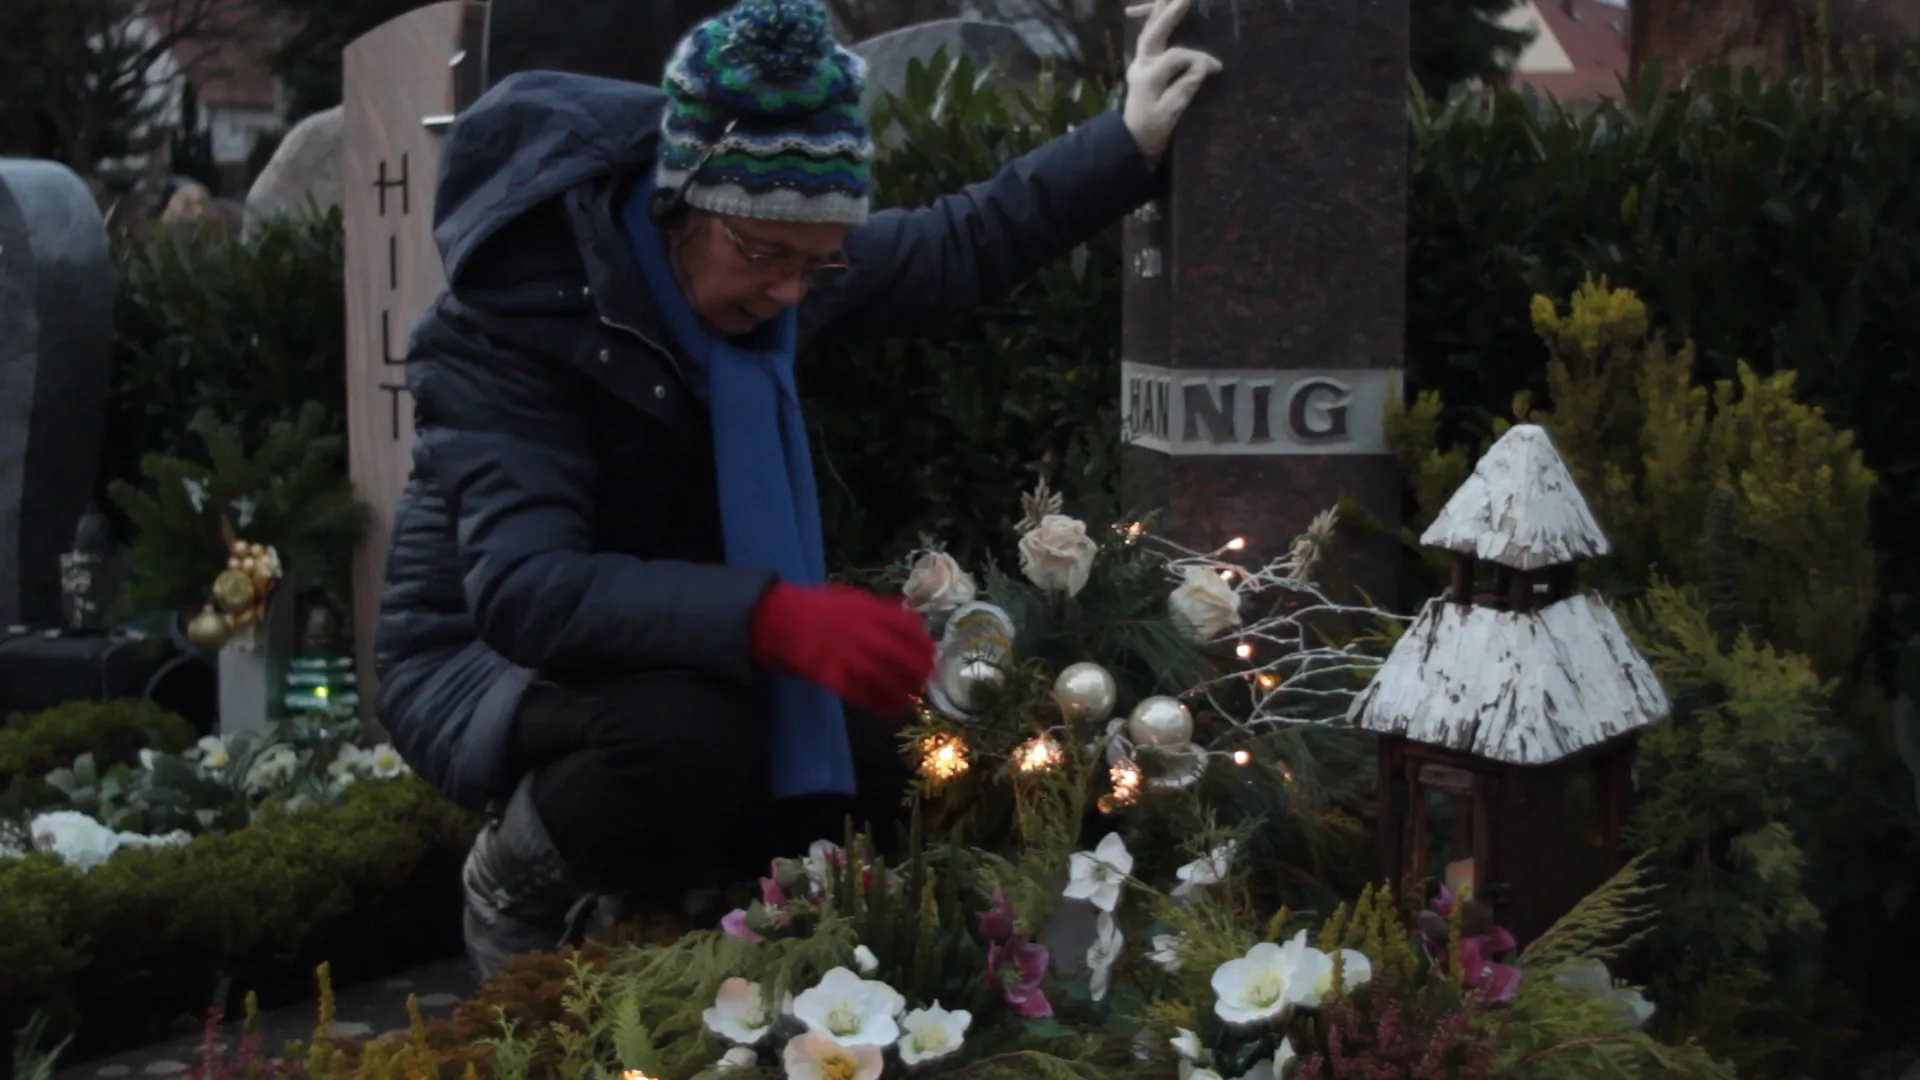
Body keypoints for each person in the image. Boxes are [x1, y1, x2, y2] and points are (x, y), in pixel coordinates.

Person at [374, 0, 1223, 977]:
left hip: (678, 632)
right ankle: (518, 883)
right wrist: (777, 619)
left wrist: (1125, 143)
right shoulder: (511, 315)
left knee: (860, 749)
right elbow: (528, 590)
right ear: (677, 203)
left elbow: (959, 243)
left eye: (817, 264)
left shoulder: (779, 259)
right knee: (687, 737)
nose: (788, 293)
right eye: (764, 257)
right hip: (485, 661)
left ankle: (698, 917)